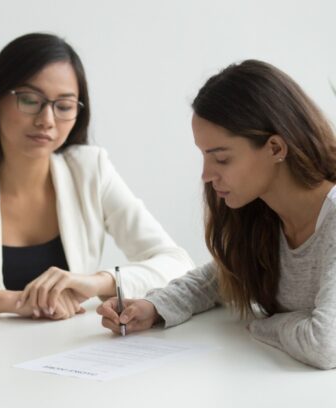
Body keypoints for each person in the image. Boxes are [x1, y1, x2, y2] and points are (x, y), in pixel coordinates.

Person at [0, 33, 194, 321]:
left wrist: (96, 282)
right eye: (30, 100)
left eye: (64, 106)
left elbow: (177, 263)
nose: (47, 120)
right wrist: (18, 301)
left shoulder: (91, 169)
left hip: (70, 356)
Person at [97, 59, 336, 370]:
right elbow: (219, 278)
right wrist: (154, 306)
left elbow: (325, 345)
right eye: (204, 155)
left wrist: (265, 324)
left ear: (276, 148)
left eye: (221, 158)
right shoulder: (264, 215)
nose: (206, 175)